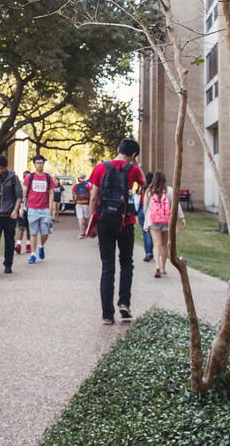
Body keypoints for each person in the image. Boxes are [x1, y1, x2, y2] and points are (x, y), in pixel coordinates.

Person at [87, 138, 145, 325]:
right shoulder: (133, 170)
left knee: (107, 266)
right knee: (126, 263)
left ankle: (107, 314)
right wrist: (134, 163)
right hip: (125, 221)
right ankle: (124, 302)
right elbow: (143, 184)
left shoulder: (100, 167)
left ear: (118, 148)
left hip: (105, 220)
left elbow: (94, 196)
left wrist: (92, 222)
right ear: (133, 154)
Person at [143, 170, 185, 277]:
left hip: (153, 221)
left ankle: (157, 265)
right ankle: (163, 268)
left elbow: (145, 207)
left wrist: (147, 219)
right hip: (166, 221)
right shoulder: (169, 190)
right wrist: (182, 218)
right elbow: (176, 204)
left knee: (156, 244)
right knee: (164, 245)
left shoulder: (149, 191)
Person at [20, 155, 54, 263]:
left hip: (44, 209)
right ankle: (33, 254)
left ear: (43, 164)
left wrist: (51, 207)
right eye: (37, 163)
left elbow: (51, 193)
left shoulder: (48, 177)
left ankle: (41, 246)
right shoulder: (29, 177)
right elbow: (24, 193)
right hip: (32, 208)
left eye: (41, 163)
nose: (39, 165)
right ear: (34, 164)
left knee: (45, 232)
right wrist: (21, 207)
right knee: (33, 233)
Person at [14, 170, 32, 255]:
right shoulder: (20, 186)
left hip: (31, 209)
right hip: (22, 209)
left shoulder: (32, 186)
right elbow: (18, 197)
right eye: (25, 177)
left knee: (29, 229)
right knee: (21, 227)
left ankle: (28, 245)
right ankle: (18, 245)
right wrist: (19, 209)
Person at [138, 172, 154, 262]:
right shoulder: (154, 188)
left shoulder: (143, 187)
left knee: (146, 232)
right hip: (153, 211)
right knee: (154, 232)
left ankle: (148, 252)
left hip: (143, 210)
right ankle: (153, 251)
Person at [72, 173, 93, 238]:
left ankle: (81, 233)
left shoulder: (76, 186)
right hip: (86, 203)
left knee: (80, 218)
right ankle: (85, 231)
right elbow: (91, 194)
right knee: (85, 218)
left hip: (78, 203)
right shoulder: (87, 186)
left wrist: (74, 200)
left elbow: (73, 195)